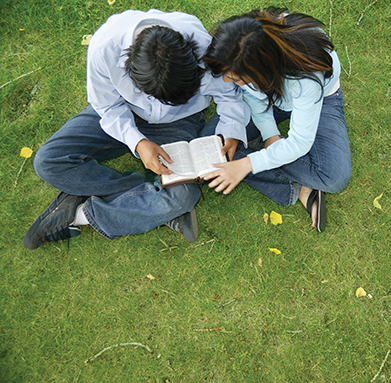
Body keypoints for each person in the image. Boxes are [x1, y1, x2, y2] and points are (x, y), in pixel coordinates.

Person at [23, 9, 250, 250]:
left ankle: (80, 213)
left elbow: (229, 94)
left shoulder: (203, 45)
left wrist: (232, 130)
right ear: (130, 71)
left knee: (182, 194)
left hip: (181, 120)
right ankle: (152, 190)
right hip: (123, 113)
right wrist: (137, 142)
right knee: (48, 161)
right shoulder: (104, 49)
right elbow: (106, 106)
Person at [203, 7, 351, 232]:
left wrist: (246, 164)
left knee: (332, 176)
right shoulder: (245, 45)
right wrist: (270, 135)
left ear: (261, 70)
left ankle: (256, 156)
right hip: (271, 98)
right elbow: (253, 97)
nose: (225, 80)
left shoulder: (305, 76)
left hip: (319, 101)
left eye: (235, 78)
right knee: (209, 143)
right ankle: (299, 186)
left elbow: (300, 142)